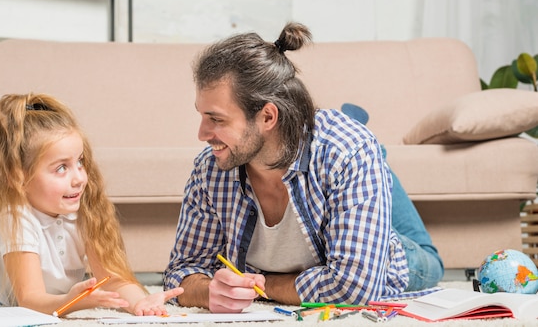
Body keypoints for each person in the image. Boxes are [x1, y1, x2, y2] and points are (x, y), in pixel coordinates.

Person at [163, 22, 444, 312]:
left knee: (431, 262)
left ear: (268, 117)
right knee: (354, 157)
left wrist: (262, 286)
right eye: (202, 116)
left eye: (217, 119)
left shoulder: (346, 151)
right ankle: (371, 159)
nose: (202, 134)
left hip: (391, 244)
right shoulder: (211, 167)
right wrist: (209, 291)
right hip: (333, 163)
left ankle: (375, 159)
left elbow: (356, 287)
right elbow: (181, 272)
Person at [0, 93, 183, 316]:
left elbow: (112, 281)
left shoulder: (84, 212)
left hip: (61, 293)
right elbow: (29, 301)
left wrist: (140, 302)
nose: (79, 178)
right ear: (17, 178)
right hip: (10, 296)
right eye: (61, 168)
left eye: (80, 162)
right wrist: (74, 301)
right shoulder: (16, 219)